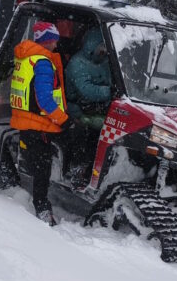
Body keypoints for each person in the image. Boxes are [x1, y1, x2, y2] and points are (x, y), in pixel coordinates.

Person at [9, 21, 69, 225]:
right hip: (39, 122)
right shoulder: (43, 62)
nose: (56, 44)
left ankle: (38, 199)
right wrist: (64, 119)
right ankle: (41, 207)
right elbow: (44, 99)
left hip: (26, 119)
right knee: (42, 168)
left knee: (37, 164)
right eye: (54, 40)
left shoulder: (26, 57)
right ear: (47, 40)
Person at [64, 26, 112, 183]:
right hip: (76, 107)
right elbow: (86, 90)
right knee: (86, 131)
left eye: (105, 47)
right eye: (101, 47)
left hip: (96, 107)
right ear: (92, 44)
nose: (103, 51)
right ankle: (77, 167)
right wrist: (109, 91)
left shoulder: (103, 62)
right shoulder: (78, 63)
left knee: (105, 130)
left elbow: (111, 80)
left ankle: (97, 168)